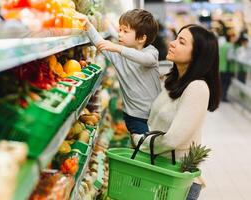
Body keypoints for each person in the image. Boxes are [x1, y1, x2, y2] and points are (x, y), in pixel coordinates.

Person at [133, 24, 221, 200]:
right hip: (158, 171)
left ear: (197, 55)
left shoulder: (197, 87)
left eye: (181, 42)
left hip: (175, 180)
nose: (172, 43)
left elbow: (173, 139)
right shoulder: (172, 80)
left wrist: (139, 139)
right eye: (176, 38)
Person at [78, 9, 161, 135]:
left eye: (125, 31)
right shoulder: (118, 56)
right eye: (120, 30)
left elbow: (146, 60)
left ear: (142, 38)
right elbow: (100, 43)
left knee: (154, 148)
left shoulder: (151, 52)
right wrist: (88, 25)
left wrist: (118, 48)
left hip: (156, 114)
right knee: (144, 148)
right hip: (134, 117)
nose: (119, 34)